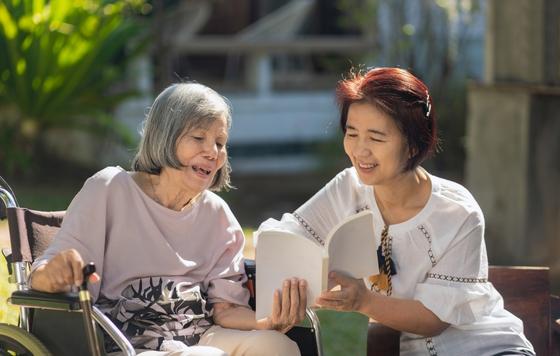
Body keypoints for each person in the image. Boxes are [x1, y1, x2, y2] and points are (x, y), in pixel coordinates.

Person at [257, 67, 535, 355]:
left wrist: (363, 301)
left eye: (376, 138)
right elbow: (290, 233)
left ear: (413, 144)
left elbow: (434, 319)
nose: (360, 150)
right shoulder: (348, 188)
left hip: (490, 348)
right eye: (352, 133)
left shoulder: (457, 213)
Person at [29, 83, 307, 356]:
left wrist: (269, 321)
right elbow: (41, 274)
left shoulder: (217, 214)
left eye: (220, 143)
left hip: (201, 334)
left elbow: (227, 309)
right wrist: (55, 274)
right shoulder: (108, 189)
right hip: (127, 341)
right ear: (165, 136)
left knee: (278, 346)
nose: (213, 152)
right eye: (199, 138)